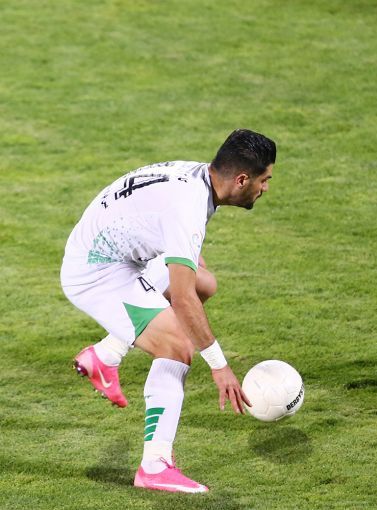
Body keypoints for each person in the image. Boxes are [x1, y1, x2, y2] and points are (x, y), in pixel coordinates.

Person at [61, 128, 276, 492]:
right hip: (96, 274)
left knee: (204, 282)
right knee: (178, 345)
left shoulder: (197, 177)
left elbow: (186, 270)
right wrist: (220, 367)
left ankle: (105, 355)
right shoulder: (188, 206)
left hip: (116, 255)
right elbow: (182, 299)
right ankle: (155, 465)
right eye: (264, 179)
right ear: (242, 179)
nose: (265, 188)